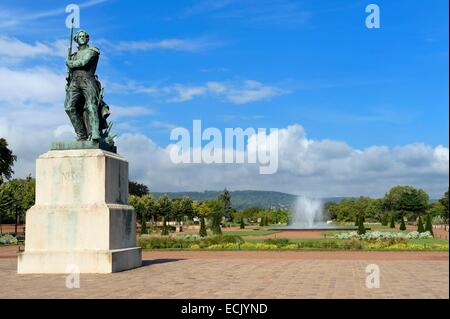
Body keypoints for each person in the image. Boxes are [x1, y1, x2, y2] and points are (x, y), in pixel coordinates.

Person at [64, 30, 102, 141]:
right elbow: (71, 71)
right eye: (79, 36)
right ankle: (81, 134)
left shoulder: (92, 51)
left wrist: (70, 63)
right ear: (76, 39)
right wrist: (68, 80)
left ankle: (95, 132)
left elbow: (84, 62)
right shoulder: (74, 55)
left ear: (87, 38)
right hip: (74, 81)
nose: (82, 38)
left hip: (87, 79)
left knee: (91, 105)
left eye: (84, 36)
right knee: (69, 107)